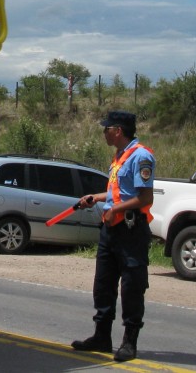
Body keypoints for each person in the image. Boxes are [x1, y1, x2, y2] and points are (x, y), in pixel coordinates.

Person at [71, 110, 155, 362]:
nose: (103, 132)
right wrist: (96, 198)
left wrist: (115, 210)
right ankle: (102, 336)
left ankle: (129, 342)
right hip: (110, 231)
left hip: (130, 230)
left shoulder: (141, 156)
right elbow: (119, 192)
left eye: (106, 128)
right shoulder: (119, 156)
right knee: (103, 284)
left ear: (117, 130)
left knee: (131, 286)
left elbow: (144, 198)